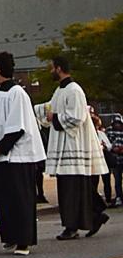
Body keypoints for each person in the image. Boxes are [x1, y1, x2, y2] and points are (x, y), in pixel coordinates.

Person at [0, 51, 46, 255]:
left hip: (18, 155)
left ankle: (23, 241)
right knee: (0, 194)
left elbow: (17, 127)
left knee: (20, 198)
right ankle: (9, 235)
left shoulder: (18, 93)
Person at [45, 55, 108, 240]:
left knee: (71, 190)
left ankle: (71, 227)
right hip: (65, 148)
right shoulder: (60, 91)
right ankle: (96, 215)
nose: (50, 71)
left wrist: (54, 118)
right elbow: (50, 107)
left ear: (58, 69)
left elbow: (77, 117)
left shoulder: (74, 90)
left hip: (74, 147)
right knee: (75, 187)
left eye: (51, 68)